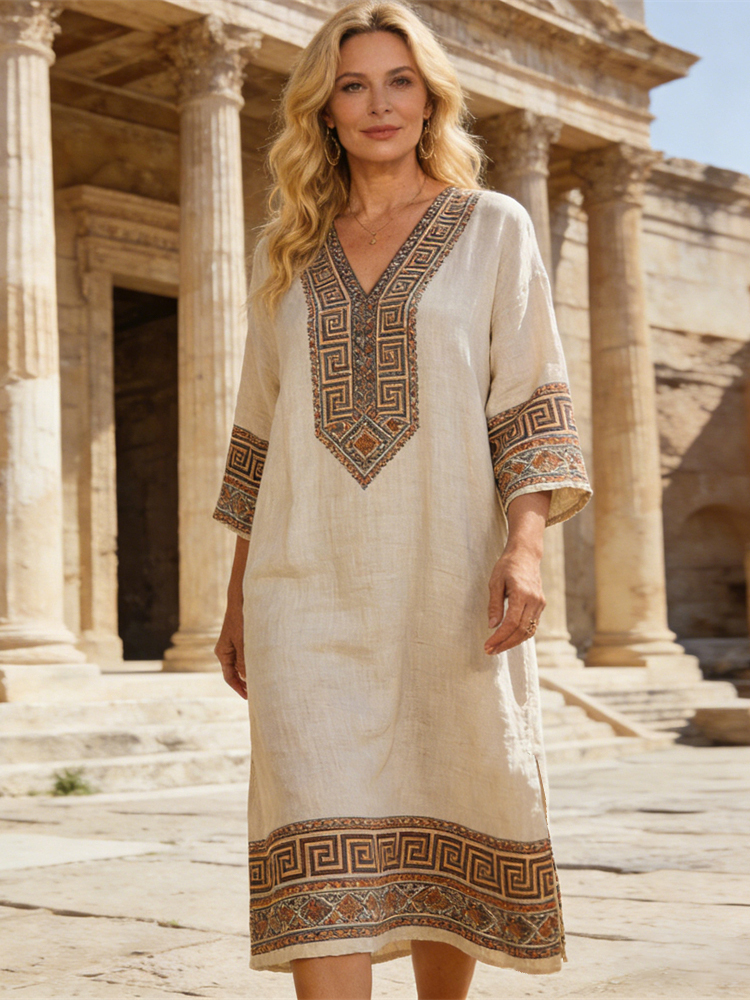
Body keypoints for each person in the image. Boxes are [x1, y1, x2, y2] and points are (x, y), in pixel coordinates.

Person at [213, 2, 591, 997]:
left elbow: (531, 401)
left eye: (399, 81)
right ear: (324, 110)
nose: (378, 104)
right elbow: (258, 435)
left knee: (446, 812)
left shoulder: (493, 228)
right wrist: (238, 594)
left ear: (430, 101)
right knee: (314, 836)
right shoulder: (286, 252)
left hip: (447, 583)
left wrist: (525, 548)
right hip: (301, 591)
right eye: (353, 85)